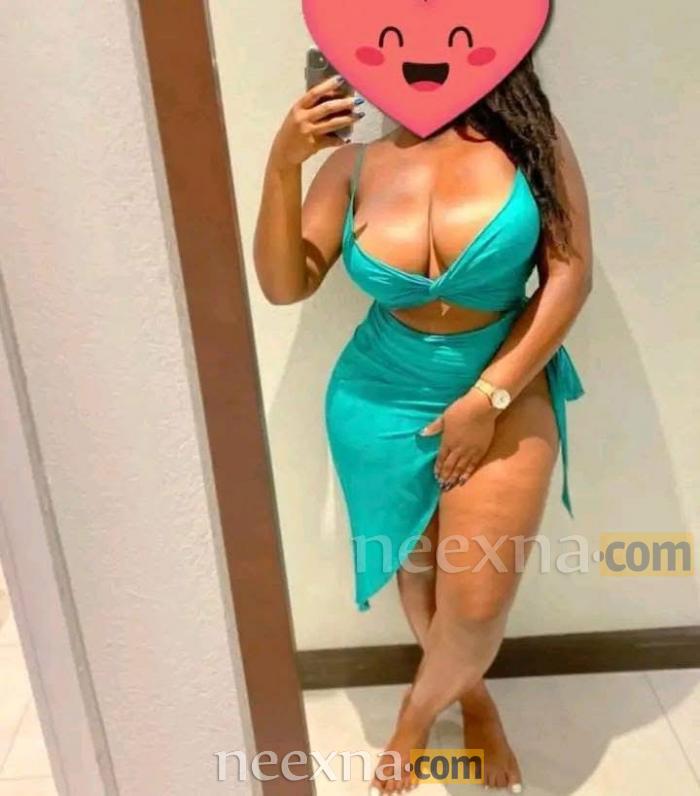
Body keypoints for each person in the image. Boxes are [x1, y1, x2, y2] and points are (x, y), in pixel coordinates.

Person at [253, 52, 592, 794]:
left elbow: (569, 276)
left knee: (476, 605)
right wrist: (283, 165)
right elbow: (284, 285)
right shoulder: (351, 165)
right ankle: (472, 698)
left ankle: (414, 714)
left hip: (503, 380)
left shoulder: (530, 140)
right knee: (421, 572)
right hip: (377, 392)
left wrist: (488, 397)